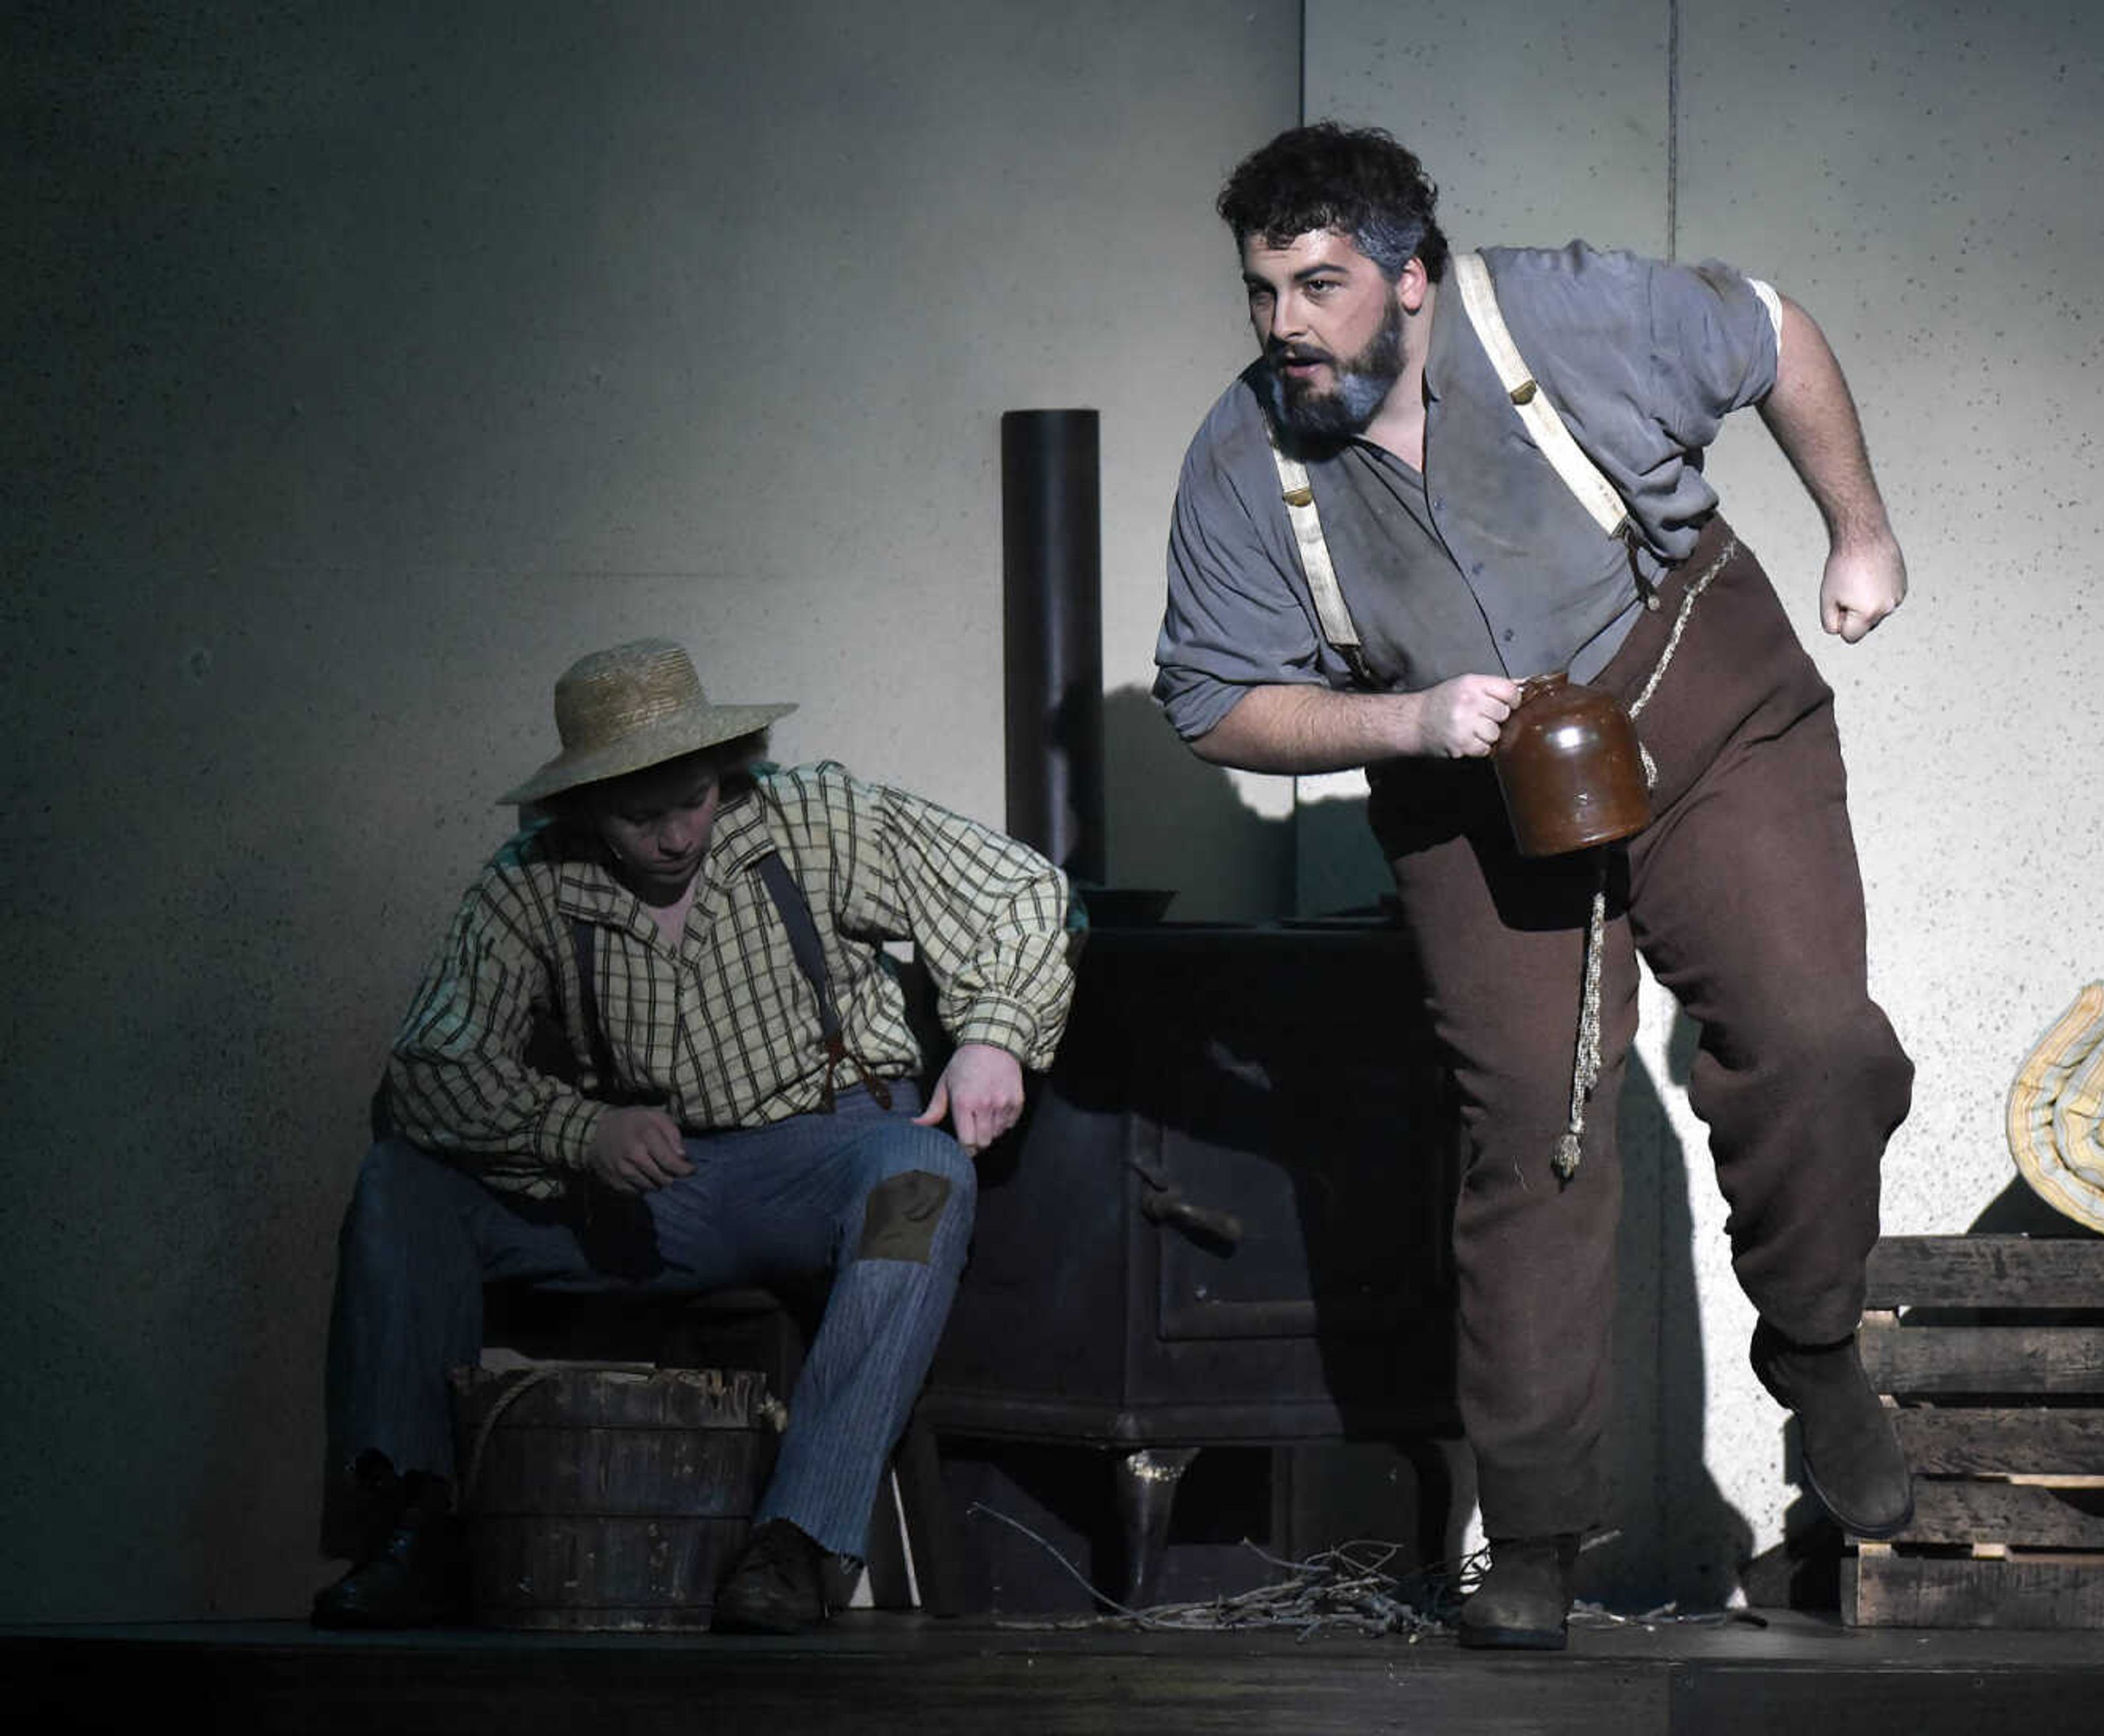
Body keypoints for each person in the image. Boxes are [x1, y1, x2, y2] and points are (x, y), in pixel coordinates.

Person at [1152, 124, 1916, 1649]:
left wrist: (1861, 528)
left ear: (1414, 276)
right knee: (1534, 1135)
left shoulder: (1562, 314)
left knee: (1815, 1039)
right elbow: (1212, 699)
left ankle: (1820, 1348)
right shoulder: (1245, 461)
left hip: (1695, 695)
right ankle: (1541, 1532)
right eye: (1263, 291)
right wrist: (1405, 719)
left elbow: (1772, 331)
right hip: (1468, 778)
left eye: (1322, 284)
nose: (1287, 325)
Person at [315, 637, 1074, 1634]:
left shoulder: (813, 817)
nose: (678, 835)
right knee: (401, 1183)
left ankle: (799, 1539)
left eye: (697, 798)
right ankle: (417, 1525)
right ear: (584, 806)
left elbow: (1021, 890)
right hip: (653, 1192)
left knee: (923, 1180)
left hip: (825, 1157)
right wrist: (577, 1128)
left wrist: (993, 1037)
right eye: (642, 815)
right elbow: (426, 1071)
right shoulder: (531, 885)